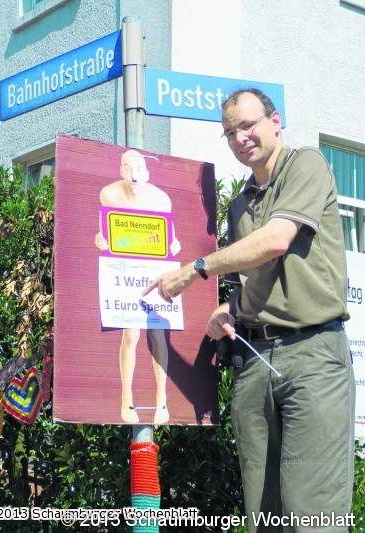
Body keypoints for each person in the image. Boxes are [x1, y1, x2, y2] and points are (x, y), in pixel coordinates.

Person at [143, 89, 355, 532]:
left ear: (275, 121)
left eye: (248, 125)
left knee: (313, 515)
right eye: (230, 132)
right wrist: (229, 309)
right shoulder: (240, 205)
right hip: (255, 361)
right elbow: (254, 282)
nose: (240, 137)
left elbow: (276, 240)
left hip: (312, 356)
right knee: (263, 515)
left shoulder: (306, 165)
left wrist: (194, 271)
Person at [95, 149, 180, 424]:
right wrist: (100, 241)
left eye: (138, 168)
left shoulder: (160, 198)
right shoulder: (109, 194)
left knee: (158, 334)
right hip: (125, 272)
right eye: (128, 167)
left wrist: (173, 246)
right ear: (121, 170)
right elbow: (105, 231)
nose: (133, 174)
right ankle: (126, 399)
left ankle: (162, 401)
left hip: (153, 272)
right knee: (130, 334)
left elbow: (171, 238)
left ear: (147, 172)